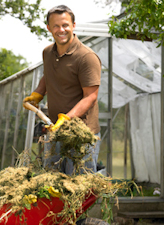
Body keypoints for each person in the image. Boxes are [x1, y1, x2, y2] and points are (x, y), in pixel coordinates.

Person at [23, 5, 101, 174]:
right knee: (52, 182)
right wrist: (37, 94)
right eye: (56, 26)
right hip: (54, 130)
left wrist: (66, 119)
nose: (61, 30)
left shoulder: (86, 57)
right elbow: (49, 75)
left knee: (79, 187)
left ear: (73, 25)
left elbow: (91, 96)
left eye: (65, 25)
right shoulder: (48, 53)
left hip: (82, 135)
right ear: (49, 28)